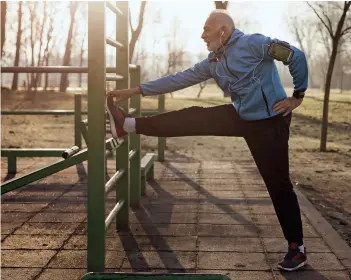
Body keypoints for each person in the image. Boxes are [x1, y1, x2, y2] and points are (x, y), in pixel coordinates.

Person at [105, 9, 308, 271]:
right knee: (192, 117)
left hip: (270, 123)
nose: (202, 35)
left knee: (278, 185)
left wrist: (297, 96)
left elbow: (295, 56)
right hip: (240, 116)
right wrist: (136, 90)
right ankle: (129, 125)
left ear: (223, 30)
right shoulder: (214, 61)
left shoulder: (255, 44)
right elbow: (178, 80)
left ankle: (297, 249)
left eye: (206, 30)